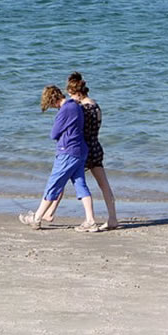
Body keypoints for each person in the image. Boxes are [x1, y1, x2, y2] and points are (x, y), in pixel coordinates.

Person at [42, 72, 119, 230]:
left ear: (77, 93)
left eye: (71, 95)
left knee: (62, 180)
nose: (70, 99)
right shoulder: (96, 105)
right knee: (104, 185)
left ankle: (49, 212)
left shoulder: (79, 108)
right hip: (96, 147)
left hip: (82, 148)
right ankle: (112, 218)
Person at [18, 85, 99, 231]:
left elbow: (53, 133)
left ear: (53, 100)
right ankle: (91, 221)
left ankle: (36, 218)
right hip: (80, 151)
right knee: (80, 185)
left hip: (67, 151)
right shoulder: (76, 106)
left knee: (53, 185)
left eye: (50, 104)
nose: (52, 107)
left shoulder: (65, 109)